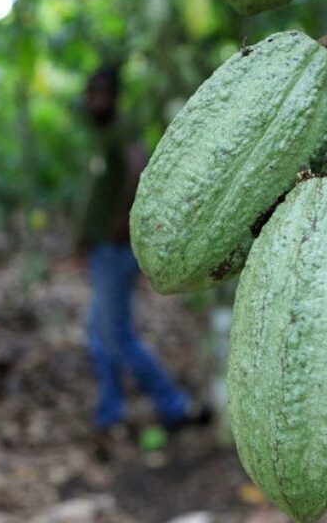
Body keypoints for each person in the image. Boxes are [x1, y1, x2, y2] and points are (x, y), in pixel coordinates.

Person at [78, 66, 209, 435]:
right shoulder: (102, 136)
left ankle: (174, 405)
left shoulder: (120, 132)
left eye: (100, 93)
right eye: (90, 93)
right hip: (103, 250)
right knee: (98, 334)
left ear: (114, 97)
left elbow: (137, 172)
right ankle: (110, 411)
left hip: (115, 252)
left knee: (115, 335)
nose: (93, 100)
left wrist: (123, 228)